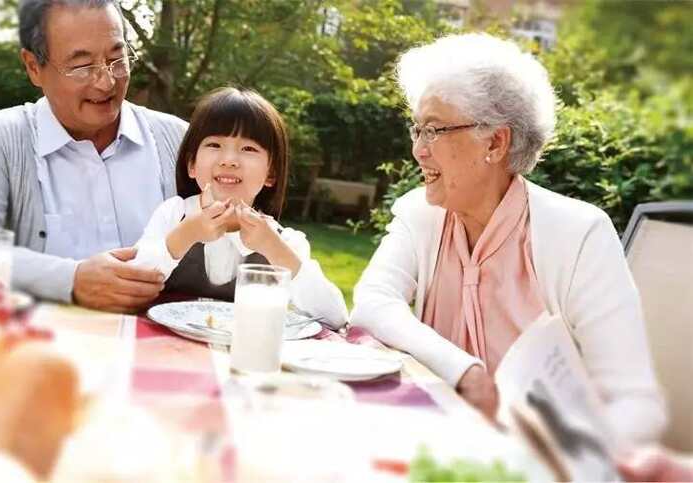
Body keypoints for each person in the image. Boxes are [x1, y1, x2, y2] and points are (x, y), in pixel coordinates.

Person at [350, 33, 665, 445]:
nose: (418, 151)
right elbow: (372, 302)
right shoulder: (421, 214)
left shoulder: (578, 234)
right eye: (417, 129)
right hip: (436, 444)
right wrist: (463, 370)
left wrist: (567, 458)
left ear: (496, 142)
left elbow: (634, 402)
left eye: (434, 130)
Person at [0, 0, 187, 313]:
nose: (106, 81)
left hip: (163, 353)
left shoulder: (177, 140)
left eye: (116, 58)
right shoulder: (0, 139)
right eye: (82, 66)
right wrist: (71, 279)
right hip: (42, 346)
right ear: (33, 67)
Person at [131, 87, 348, 327]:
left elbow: (335, 317)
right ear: (191, 164)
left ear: (271, 173)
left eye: (248, 149)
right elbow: (131, 284)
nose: (229, 160)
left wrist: (273, 248)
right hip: (164, 348)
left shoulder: (283, 241)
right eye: (214, 145)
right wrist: (186, 234)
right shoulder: (173, 214)